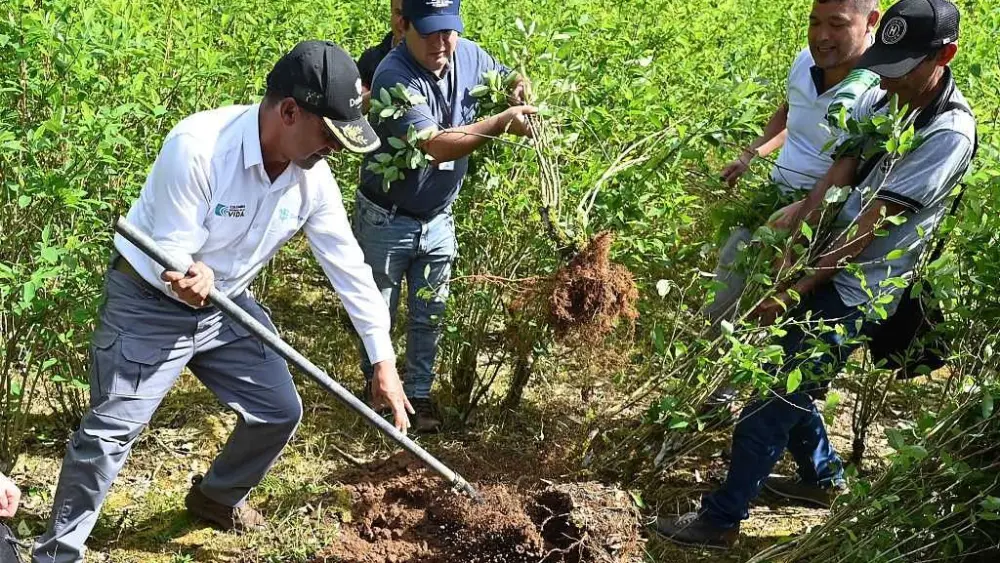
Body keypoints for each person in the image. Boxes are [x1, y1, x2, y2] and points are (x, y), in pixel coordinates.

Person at [32, 41, 411, 563]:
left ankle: (216, 496)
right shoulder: (199, 146)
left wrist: (382, 361)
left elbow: (349, 268)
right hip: (150, 303)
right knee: (108, 436)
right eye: (329, 134)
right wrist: (190, 273)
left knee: (278, 410)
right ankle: (57, 553)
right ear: (289, 111)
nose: (335, 149)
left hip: (226, 304)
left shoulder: (312, 179)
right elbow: (172, 259)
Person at [657, 0, 975, 548]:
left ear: (944, 56)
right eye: (886, 65)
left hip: (859, 285)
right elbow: (850, 157)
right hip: (828, 260)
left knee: (769, 399)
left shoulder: (947, 131)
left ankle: (721, 521)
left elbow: (872, 227)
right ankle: (824, 479)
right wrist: (806, 211)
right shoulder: (897, 95)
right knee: (793, 383)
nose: (889, 81)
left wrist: (798, 285)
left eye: (902, 68)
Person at [353, 0, 535, 433]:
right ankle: (379, 393)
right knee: (378, 310)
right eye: (430, 32)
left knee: (429, 311)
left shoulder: (468, 54)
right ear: (404, 26)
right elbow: (435, 144)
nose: (442, 42)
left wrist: (519, 86)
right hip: (387, 218)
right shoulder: (392, 76)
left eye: (449, 31)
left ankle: (417, 396)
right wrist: (500, 123)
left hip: (437, 215)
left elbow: (508, 76)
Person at [705, 0, 881, 325]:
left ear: (871, 21)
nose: (822, 35)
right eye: (815, 22)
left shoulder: (878, 90)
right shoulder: (805, 61)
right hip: (773, 202)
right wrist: (752, 153)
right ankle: (708, 357)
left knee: (774, 314)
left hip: (821, 225)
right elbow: (792, 110)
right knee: (725, 291)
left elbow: (869, 177)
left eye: (837, 24)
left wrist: (804, 210)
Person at [357, 0, 406, 110]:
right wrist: (384, 89)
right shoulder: (371, 58)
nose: (402, 21)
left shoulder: (433, 58)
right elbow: (354, 106)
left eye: (409, 15)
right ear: (391, 13)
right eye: (398, 13)